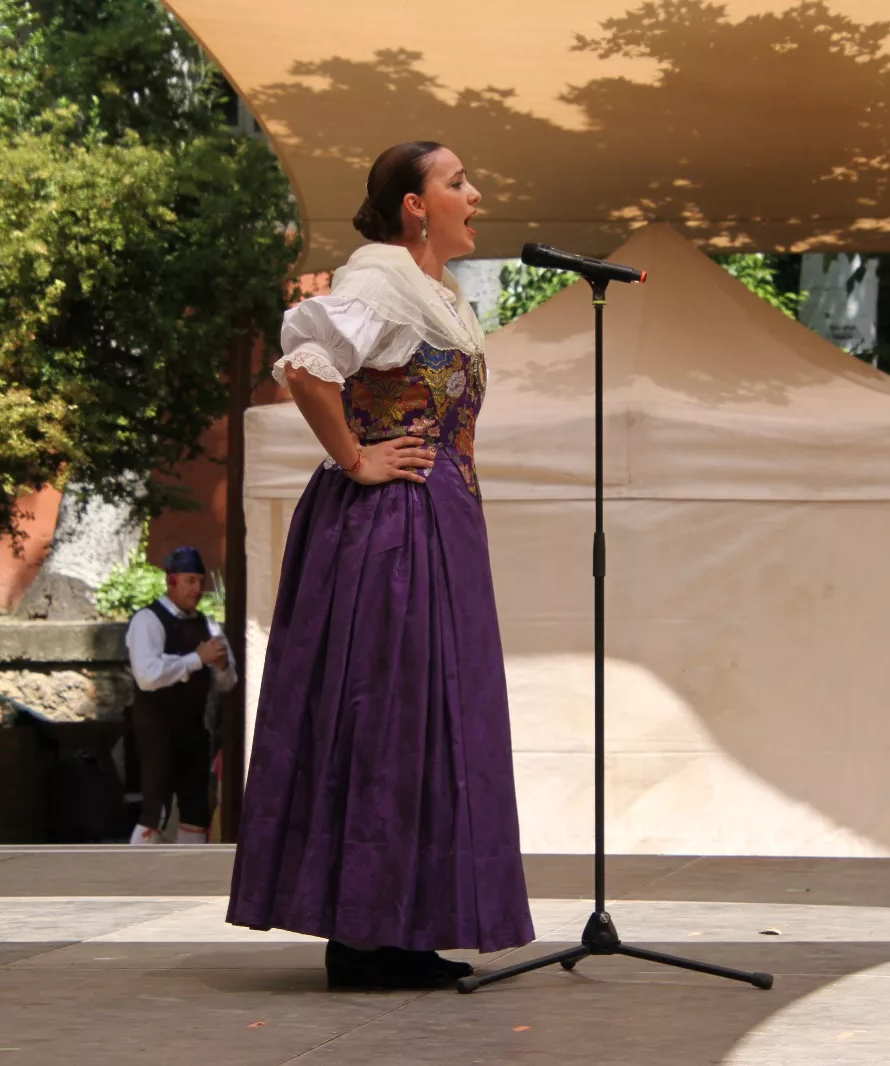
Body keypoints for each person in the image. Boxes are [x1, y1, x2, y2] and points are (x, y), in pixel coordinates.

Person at [226, 141, 535, 989]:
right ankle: (365, 935)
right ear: (414, 204)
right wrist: (356, 457)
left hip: (437, 522)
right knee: (389, 716)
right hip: (391, 527)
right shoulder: (382, 276)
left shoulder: (438, 294)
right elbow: (307, 365)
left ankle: (397, 926)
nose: (475, 193)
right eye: (457, 182)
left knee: (428, 719)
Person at [126, 545, 237, 845]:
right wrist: (197, 659)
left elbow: (228, 683)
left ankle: (191, 871)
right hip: (157, 729)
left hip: (194, 730)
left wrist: (221, 666)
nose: (197, 589)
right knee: (156, 810)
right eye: (190, 581)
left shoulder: (208, 625)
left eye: (200, 581)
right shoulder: (147, 621)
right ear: (171, 581)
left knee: (196, 811)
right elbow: (148, 676)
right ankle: (134, 870)